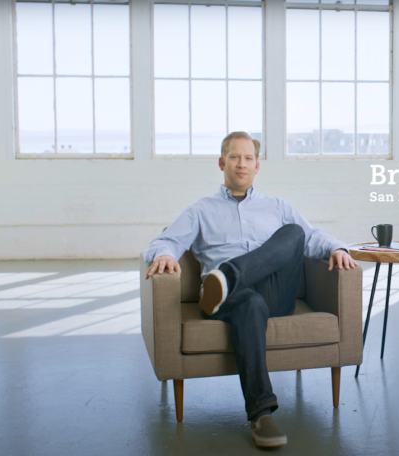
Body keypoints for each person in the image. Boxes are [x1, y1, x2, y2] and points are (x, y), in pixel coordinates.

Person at [143, 131, 357, 448]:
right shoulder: (200, 210)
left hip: (275, 294)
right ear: (221, 163)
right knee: (250, 303)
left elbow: (312, 238)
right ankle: (262, 414)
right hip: (228, 301)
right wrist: (163, 255)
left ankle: (231, 274)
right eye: (234, 157)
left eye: (248, 159)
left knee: (294, 232)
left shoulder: (278, 207)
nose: (241, 164)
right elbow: (165, 242)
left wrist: (339, 249)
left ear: (257, 167)